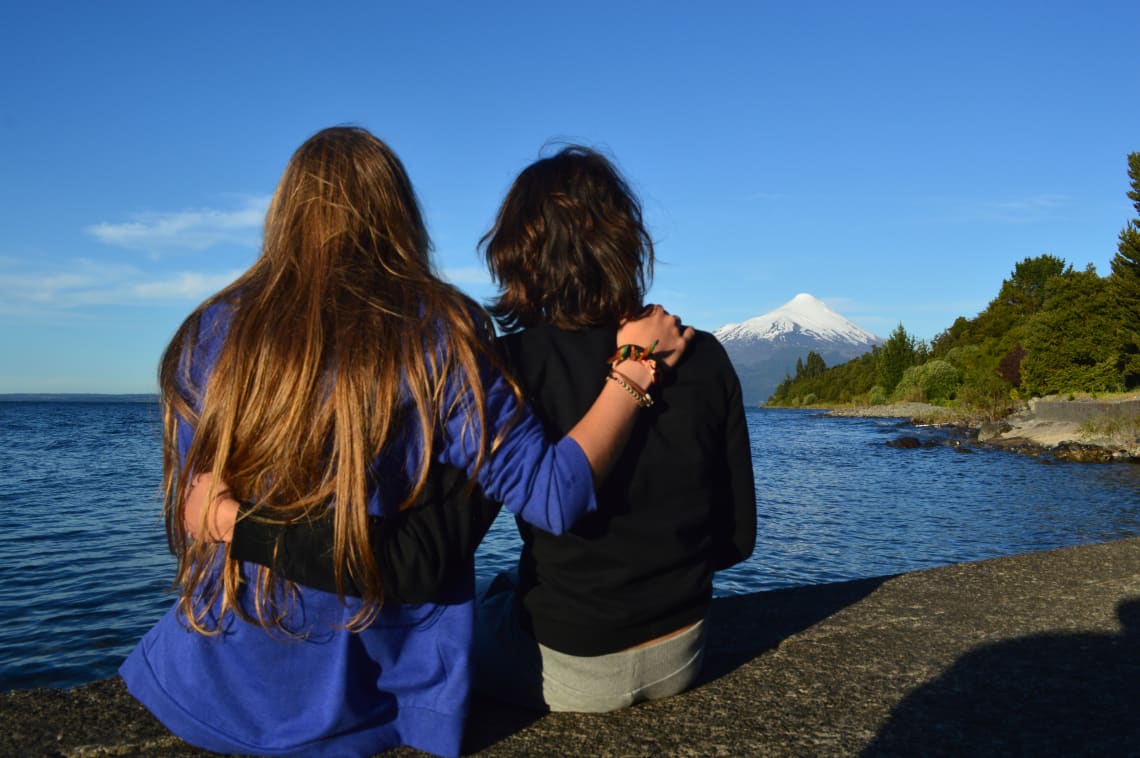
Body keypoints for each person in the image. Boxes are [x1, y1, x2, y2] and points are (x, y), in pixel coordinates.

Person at [119, 127, 691, 758]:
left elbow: (197, 511)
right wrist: (634, 368)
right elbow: (555, 495)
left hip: (206, 681)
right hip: (359, 698)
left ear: (285, 214)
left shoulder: (207, 330)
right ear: (399, 213)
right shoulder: (440, 332)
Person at [221, 144, 756, 715]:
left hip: (570, 669)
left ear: (517, 255)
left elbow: (437, 554)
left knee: (472, 605)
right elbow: (736, 540)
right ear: (626, 241)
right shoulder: (704, 354)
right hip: (682, 652)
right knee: (502, 589)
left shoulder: (506, 369)